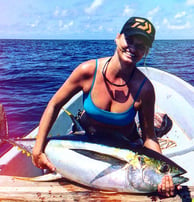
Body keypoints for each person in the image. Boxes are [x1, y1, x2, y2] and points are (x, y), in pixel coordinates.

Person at [32, 17, 176, 197]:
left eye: (141, 45)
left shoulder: (144, 89)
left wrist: (164, 173)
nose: (133, 48)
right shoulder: (87, 71)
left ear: (146, 51)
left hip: (125, 154)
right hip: (86, 144)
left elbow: (149, 138)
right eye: (130, 40)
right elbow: (54, 104)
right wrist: (37, 150)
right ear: (117, 38)